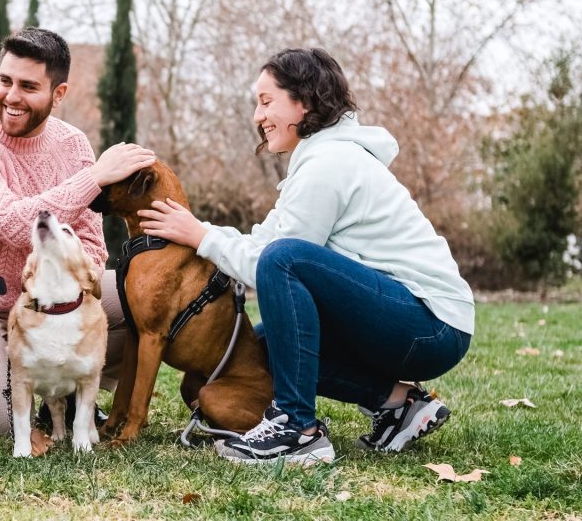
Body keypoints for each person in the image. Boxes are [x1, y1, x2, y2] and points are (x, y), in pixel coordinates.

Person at [137, 48, 474, 465]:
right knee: (259, 349)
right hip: (411, 320)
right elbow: (266, 243)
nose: (257, 117)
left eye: (266, 102)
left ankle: (298, 430)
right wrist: (201, 232)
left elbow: (274, 264)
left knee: (285, 260)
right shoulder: (318, 159)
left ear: (306, 101)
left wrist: (202, 236)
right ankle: (399, 405)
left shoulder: (329, 164)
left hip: (431, 325)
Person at [0, 27, 156, 435]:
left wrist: (61, 304)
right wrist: (95, 178)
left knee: (145, 296)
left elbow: (92, 245)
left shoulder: (72, 144)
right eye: (5, 80)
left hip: (45, 302)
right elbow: (12, 222)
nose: (11, 96)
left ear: (58, 93)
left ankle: (70, 387)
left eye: (28, 86)